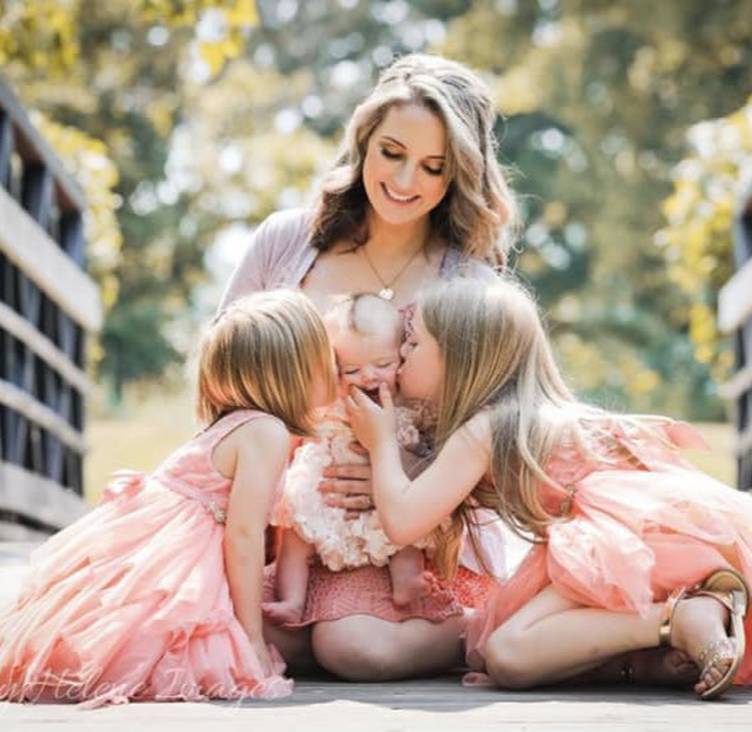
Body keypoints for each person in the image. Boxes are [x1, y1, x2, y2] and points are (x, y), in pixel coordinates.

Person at [346, 277, 752, 700]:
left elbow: (404, 522)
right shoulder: (530, 415)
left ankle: (678, 620)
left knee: (509, 653)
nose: (402, 353)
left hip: (622, 541)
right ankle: (677, 630)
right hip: (666, 540)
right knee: (512, 647)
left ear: (460, 358)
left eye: (414, 341)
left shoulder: (486, 429)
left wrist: (381, 442)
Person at [219, 52, 516, 681]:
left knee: (352, 650)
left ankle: (491, 626)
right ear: (363, 142)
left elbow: (498, 430)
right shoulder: (285, 242)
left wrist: (404, 470)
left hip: (407, 539)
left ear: (458, 175)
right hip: (283, 517)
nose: (406, 179)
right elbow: (221, 382)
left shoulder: (468, 281)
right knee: (208, 621)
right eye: (392, 152)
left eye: (433, 167)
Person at [0, 291, 336, 708]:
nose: (337, 369)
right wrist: (250, 635)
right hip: (180, 551)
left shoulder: (241, 423)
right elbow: (244, 537)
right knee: (174, 640)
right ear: (295, 373)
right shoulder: (266, 432)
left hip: (161, 538)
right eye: (328, 359)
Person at [266, 293, 436, 625]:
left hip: (389, 493)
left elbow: (423, 452)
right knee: (295, 533)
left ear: (402, 354)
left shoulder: (408, 403)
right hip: (326, 489)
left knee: (406, 532)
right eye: (352, 369)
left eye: (383, 365)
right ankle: (292, 600)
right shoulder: (330, 399)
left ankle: (408, 583)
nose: (369, 377)